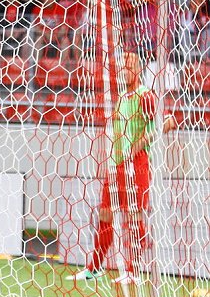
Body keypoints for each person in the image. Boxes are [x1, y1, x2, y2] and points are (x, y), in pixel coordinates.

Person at [67, 53, 177, 284]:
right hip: (116, 164)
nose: (123, 72)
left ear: (137, 70)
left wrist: (139, 144)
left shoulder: (145, 95)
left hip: (137, 164)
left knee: (134, 216)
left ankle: (133, 272)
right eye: (121, 68)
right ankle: (94, 268)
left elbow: (169, 122)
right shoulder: (122, 97)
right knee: (105, 214)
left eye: (128, 67)